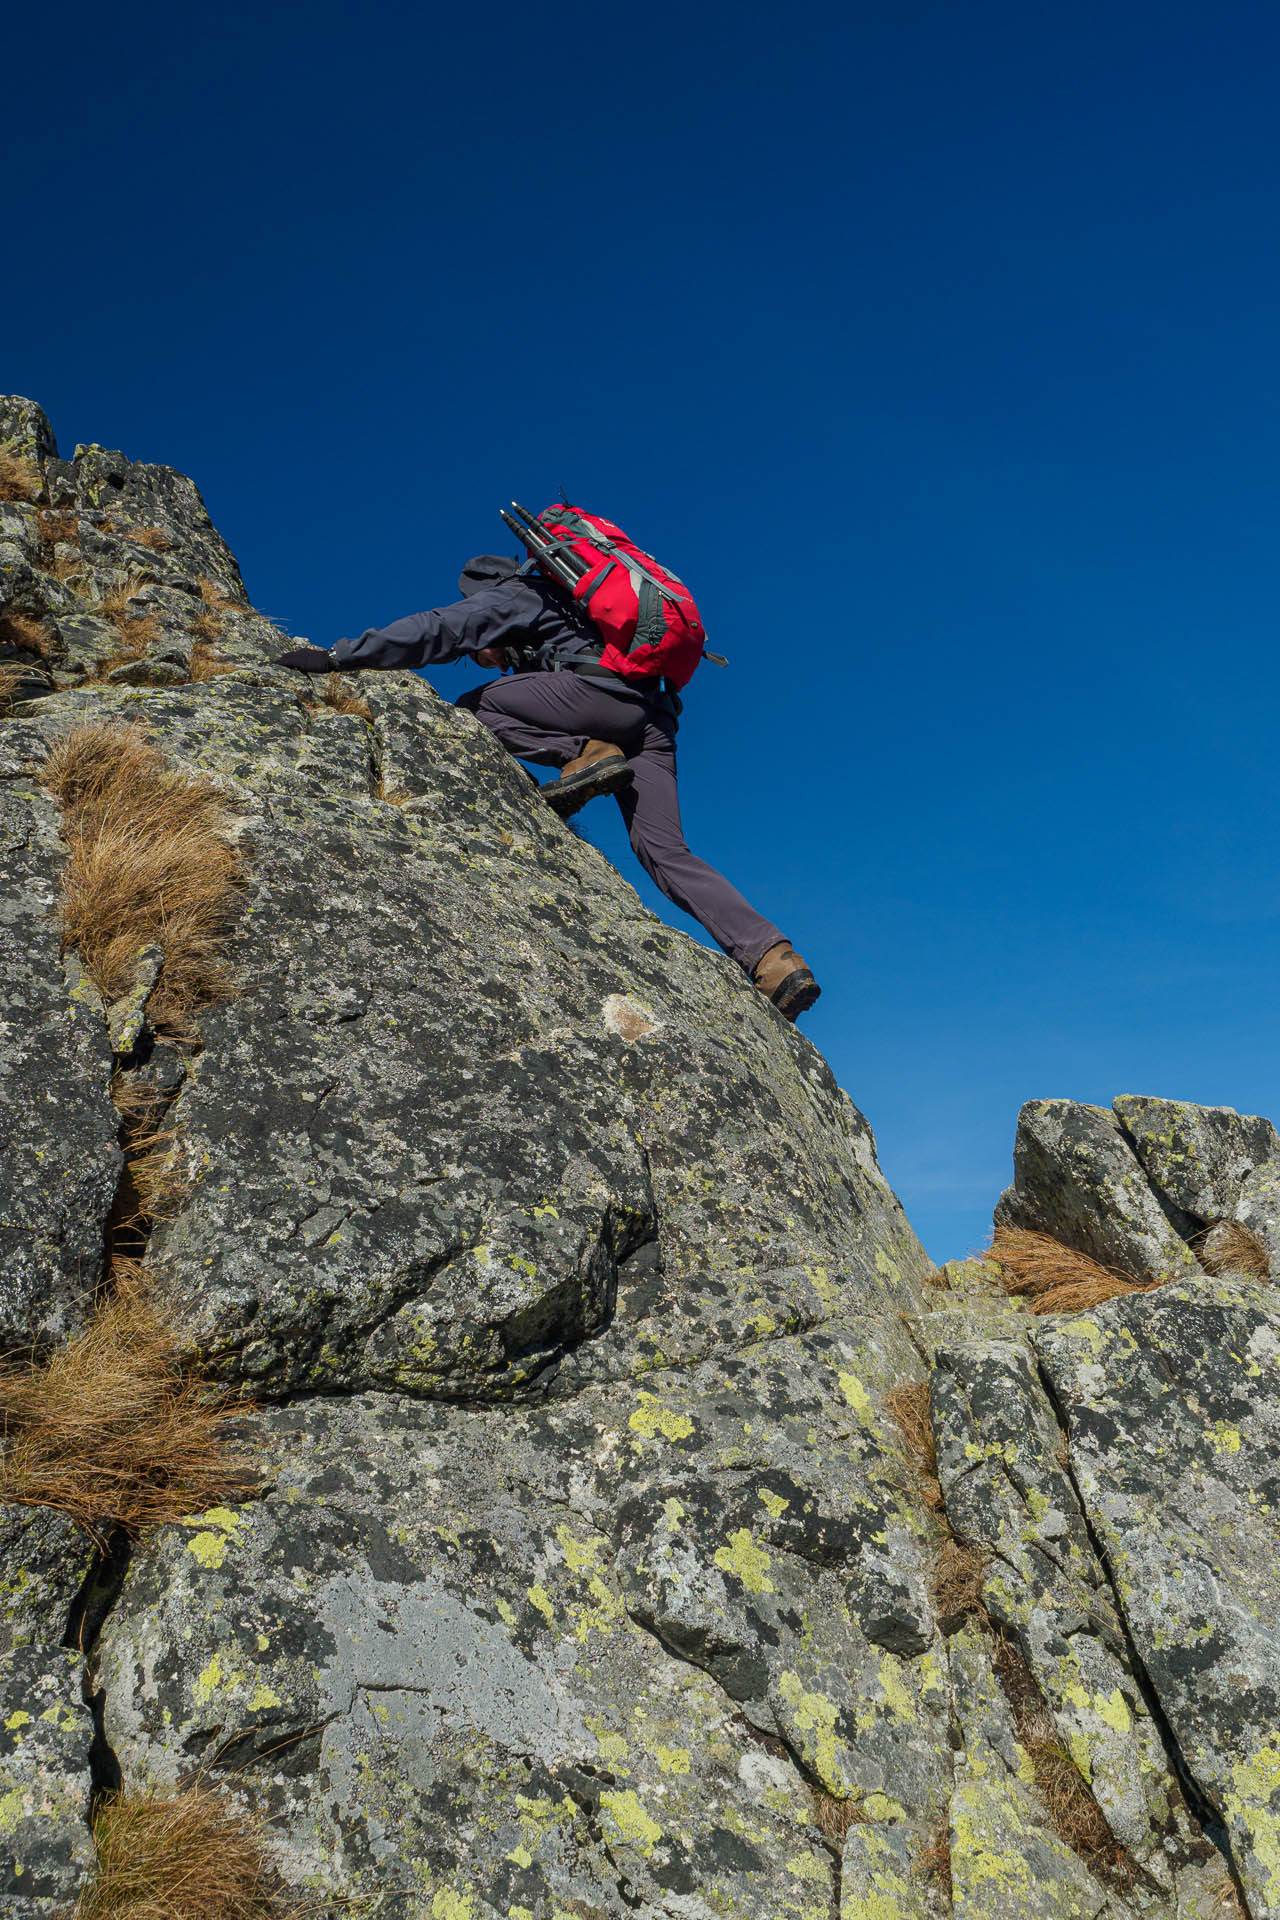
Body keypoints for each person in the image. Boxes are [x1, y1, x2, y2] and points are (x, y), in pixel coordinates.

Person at [278, 554, 821, 1021]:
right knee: (663, 849)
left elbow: (440, 628)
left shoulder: (515, 595)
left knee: (477, 707)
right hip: (655, 721)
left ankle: (581, 754)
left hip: (601, 701)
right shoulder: (575, 609)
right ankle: (774, 959)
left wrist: (338, 658)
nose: (482, 651)